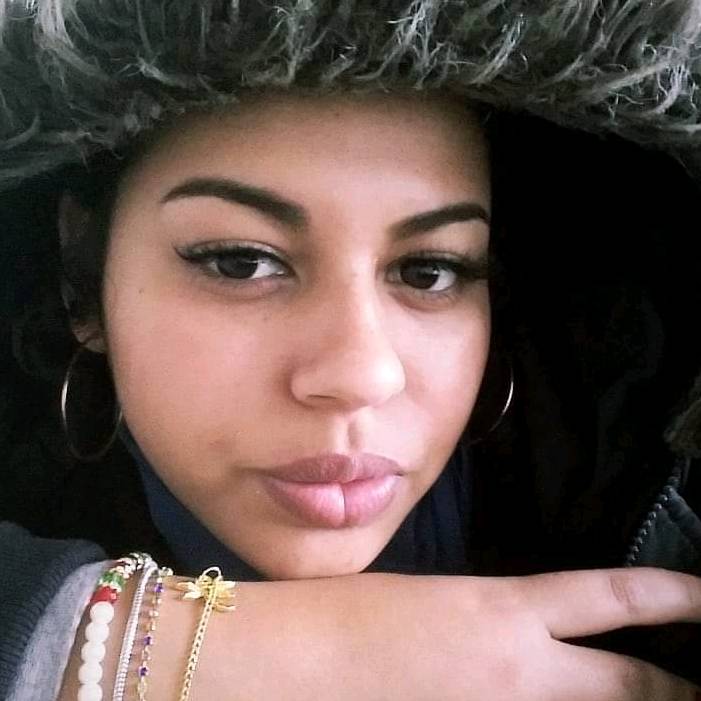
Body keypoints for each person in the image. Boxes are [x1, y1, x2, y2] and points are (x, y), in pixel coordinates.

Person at [1, 1, 700, 699]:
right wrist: (141, 645)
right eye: (240, 262)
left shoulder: (638, 446)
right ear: (81, 279)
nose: (360, 375)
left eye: (429, 271)